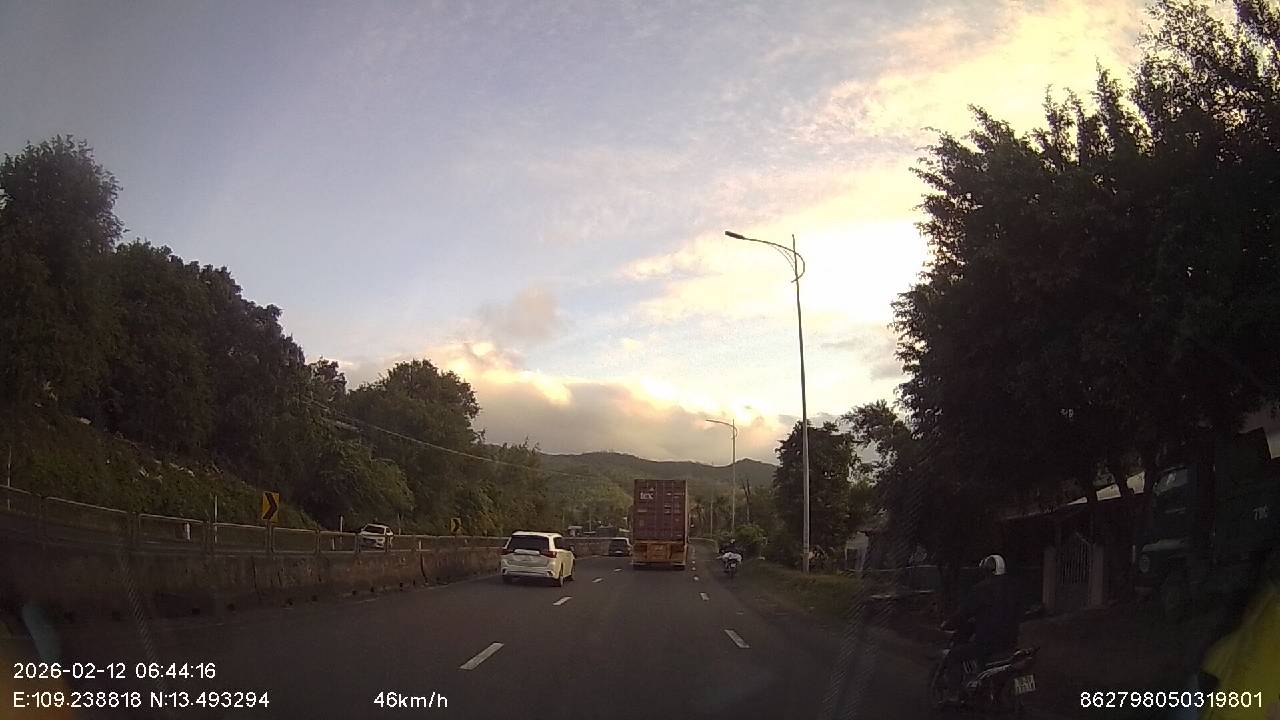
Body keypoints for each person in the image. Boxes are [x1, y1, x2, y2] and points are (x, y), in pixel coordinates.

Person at [942, 554, 1021, 699]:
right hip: (1010, 643)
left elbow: (964, 613)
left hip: (987, 643)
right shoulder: (1013, 588)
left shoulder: (981, 589)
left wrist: (948, 624)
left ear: (986, 571)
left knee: (954, 655)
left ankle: (953, 694)